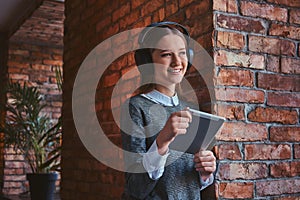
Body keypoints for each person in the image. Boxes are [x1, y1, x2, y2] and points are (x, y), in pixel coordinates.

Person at [121, 22, 216, 200]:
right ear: (147, 62)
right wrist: (161, 142)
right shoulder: (135, 107)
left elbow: (189, 181)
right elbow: (135, 187)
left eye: (182, 53)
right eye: (166, 54)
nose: (178, 62)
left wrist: (205, 173)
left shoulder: (192, 109)